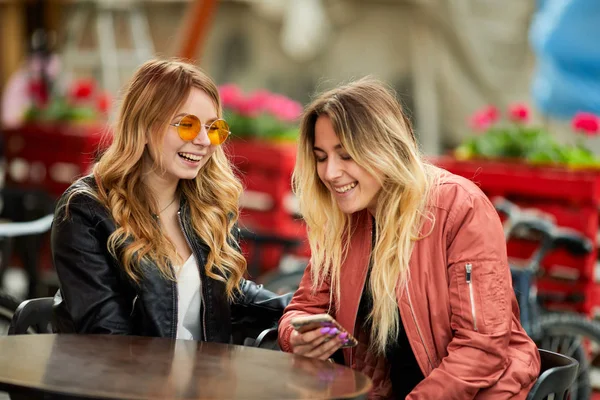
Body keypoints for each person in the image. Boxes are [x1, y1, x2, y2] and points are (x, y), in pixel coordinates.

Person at [278, 78, 540, 399]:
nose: (330, 172)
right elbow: (304, 307)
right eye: (321, 157)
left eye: (346, 155)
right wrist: (296, 335)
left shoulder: (459, 207)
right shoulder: (346, 218)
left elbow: (481, 347)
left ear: (385, 147)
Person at [52, 58, 290, 342]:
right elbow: (107, 336)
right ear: (143, 126)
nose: (204, 140)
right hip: (122, 382)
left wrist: (295, 313)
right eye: (186, 125)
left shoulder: (204, 205)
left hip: (203, 379)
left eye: (213, 128)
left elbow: (227, 294)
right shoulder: (86, 210)